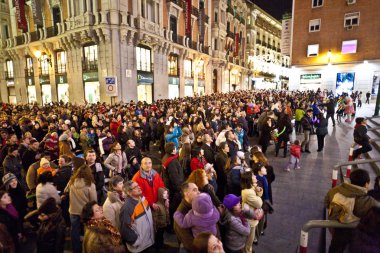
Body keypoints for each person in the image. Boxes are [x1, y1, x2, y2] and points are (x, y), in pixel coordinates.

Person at [324, 169, 380, 253]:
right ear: (366, 184)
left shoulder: (334, 190)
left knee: (335, 248)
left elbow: (326, 204)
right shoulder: (370, 202)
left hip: (335, 226)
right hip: (355, 232)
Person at [65, 164, 97, 253]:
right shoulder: (90, 184)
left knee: (74, 231)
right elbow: (93, 200)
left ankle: (76, 250)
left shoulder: (71, 181)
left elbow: (65, 191)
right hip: (85, 212)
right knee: (88, 232)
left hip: (73, 210)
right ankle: (86, 249)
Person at [119, 180, 155, 253]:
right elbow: (125, 230)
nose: (139, 188)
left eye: (138, 185)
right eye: (135, 187)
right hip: (140, 248)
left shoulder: (143, 199)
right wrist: (136, 242)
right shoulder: (127, 208)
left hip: (149, 242)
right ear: (129, 192)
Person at [162, 142, 185, 226]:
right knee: (174, 209)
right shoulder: (172, 162)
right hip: (174, 190)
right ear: (172, 150)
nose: (177, 149)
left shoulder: (166, 157)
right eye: (175, 148)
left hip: (170, 188)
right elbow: (175, 178)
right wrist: (179, 189)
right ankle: (172, 226)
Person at [174, 182, 200, 252]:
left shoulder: (197, 205)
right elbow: (189, 242)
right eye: (195, 190)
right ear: (186, 193)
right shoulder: (180, 214)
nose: (199, 192)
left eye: (198, 189)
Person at [241, 169, 263, 251]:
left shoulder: (252, 187)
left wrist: (259, 190)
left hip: (251, 217)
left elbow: (259, 195)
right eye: (253, 176)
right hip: (250, 220)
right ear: (249, 179)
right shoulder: (248, 192)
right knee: (248, 243)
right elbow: (259, 203)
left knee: (250, 240)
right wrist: (258, 196)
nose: (255, 176)